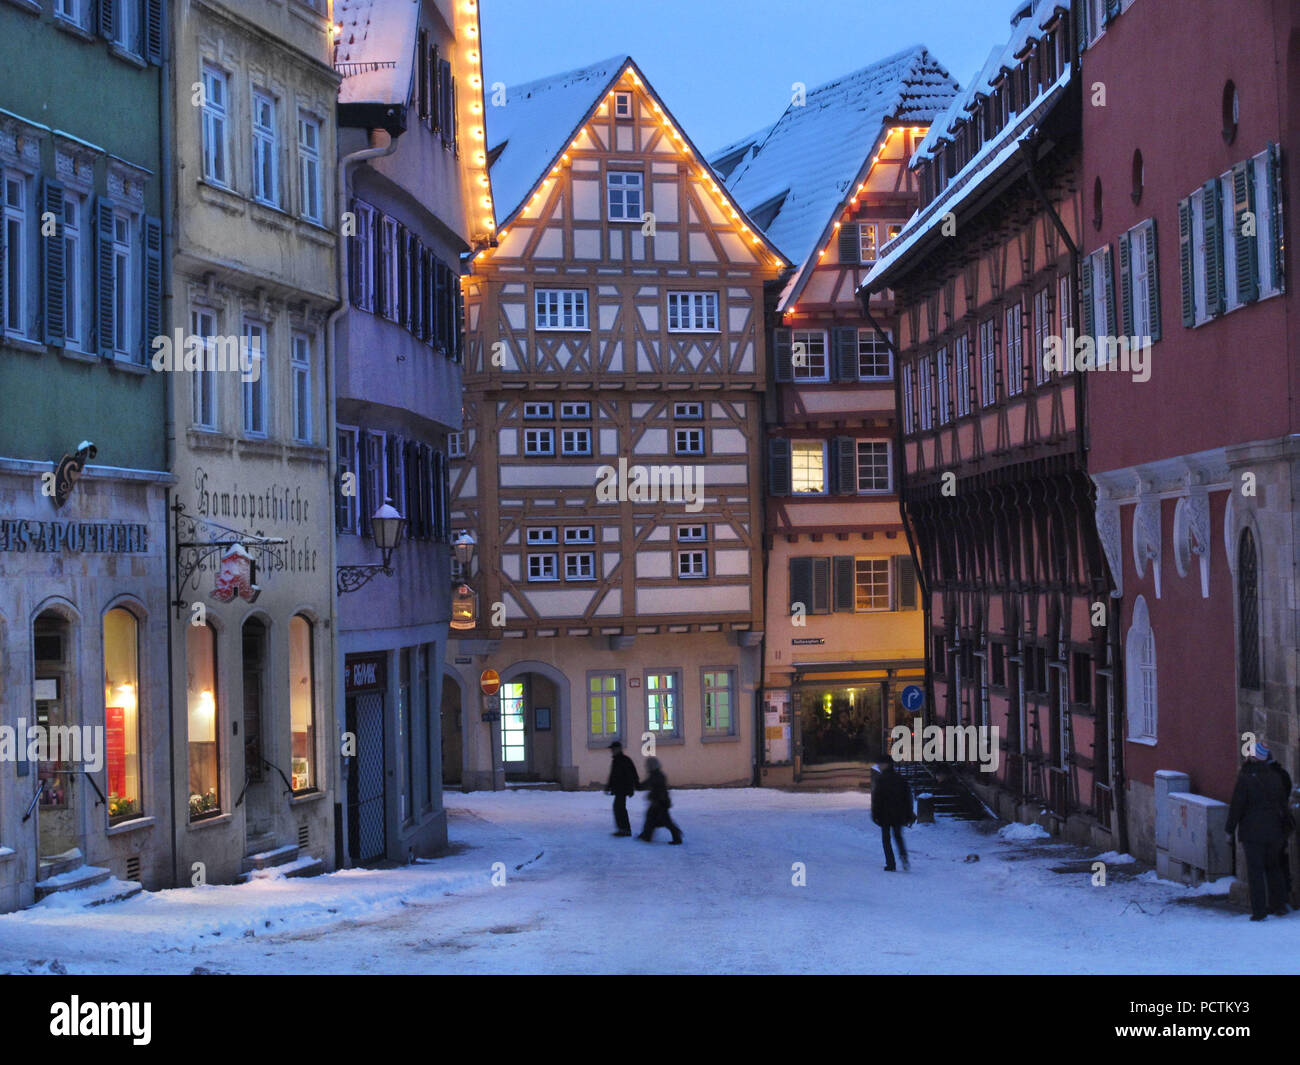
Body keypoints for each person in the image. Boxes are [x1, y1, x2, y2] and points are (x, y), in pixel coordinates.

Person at [1226, 739, 1291, 920]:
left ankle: (1259, 911)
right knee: (1274, 867)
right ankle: (1278, 904)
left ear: (1253, 757)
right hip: (1275, 830)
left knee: (1255, 871)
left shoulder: (1246, 778)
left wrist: (1229, 829)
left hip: (1253, 832)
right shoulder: (1276, 776)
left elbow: (1237, 806)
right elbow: (1283, 801)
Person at [872, 755, 914, 871]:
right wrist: (909, 813)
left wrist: (875, 814)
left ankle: (891, 863)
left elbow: (877, 798)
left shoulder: (881, 780)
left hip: (885, 813)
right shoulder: (900, 778)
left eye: (880, 764)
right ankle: (904, 857)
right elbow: (907, 797)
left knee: (886, 839)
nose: (879, 767)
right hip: (899, 813)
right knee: (898, 836)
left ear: (886, 764)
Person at [637, 756, 683, 844]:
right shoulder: (657, 774)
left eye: (647, 765)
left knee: (663, 820)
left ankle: (676, 836)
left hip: (659, 802)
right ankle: (647, 835)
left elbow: (648, 785)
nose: (646, 767)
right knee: (653, 819)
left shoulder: (656, 776)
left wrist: (638, 785)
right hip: (660, 801)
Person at [604, 741, 638, 837]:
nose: (611, 751)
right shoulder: (617, 760)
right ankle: (623, 829)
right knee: (619, 808)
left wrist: (632, 788)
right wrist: (608, 786)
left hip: (623, 789)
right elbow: (613, 775)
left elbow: (632, 775)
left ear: (618, 749)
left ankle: (625, 830)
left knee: (619, 808)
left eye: (613, 749)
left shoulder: (624, 760)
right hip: (619, 789)